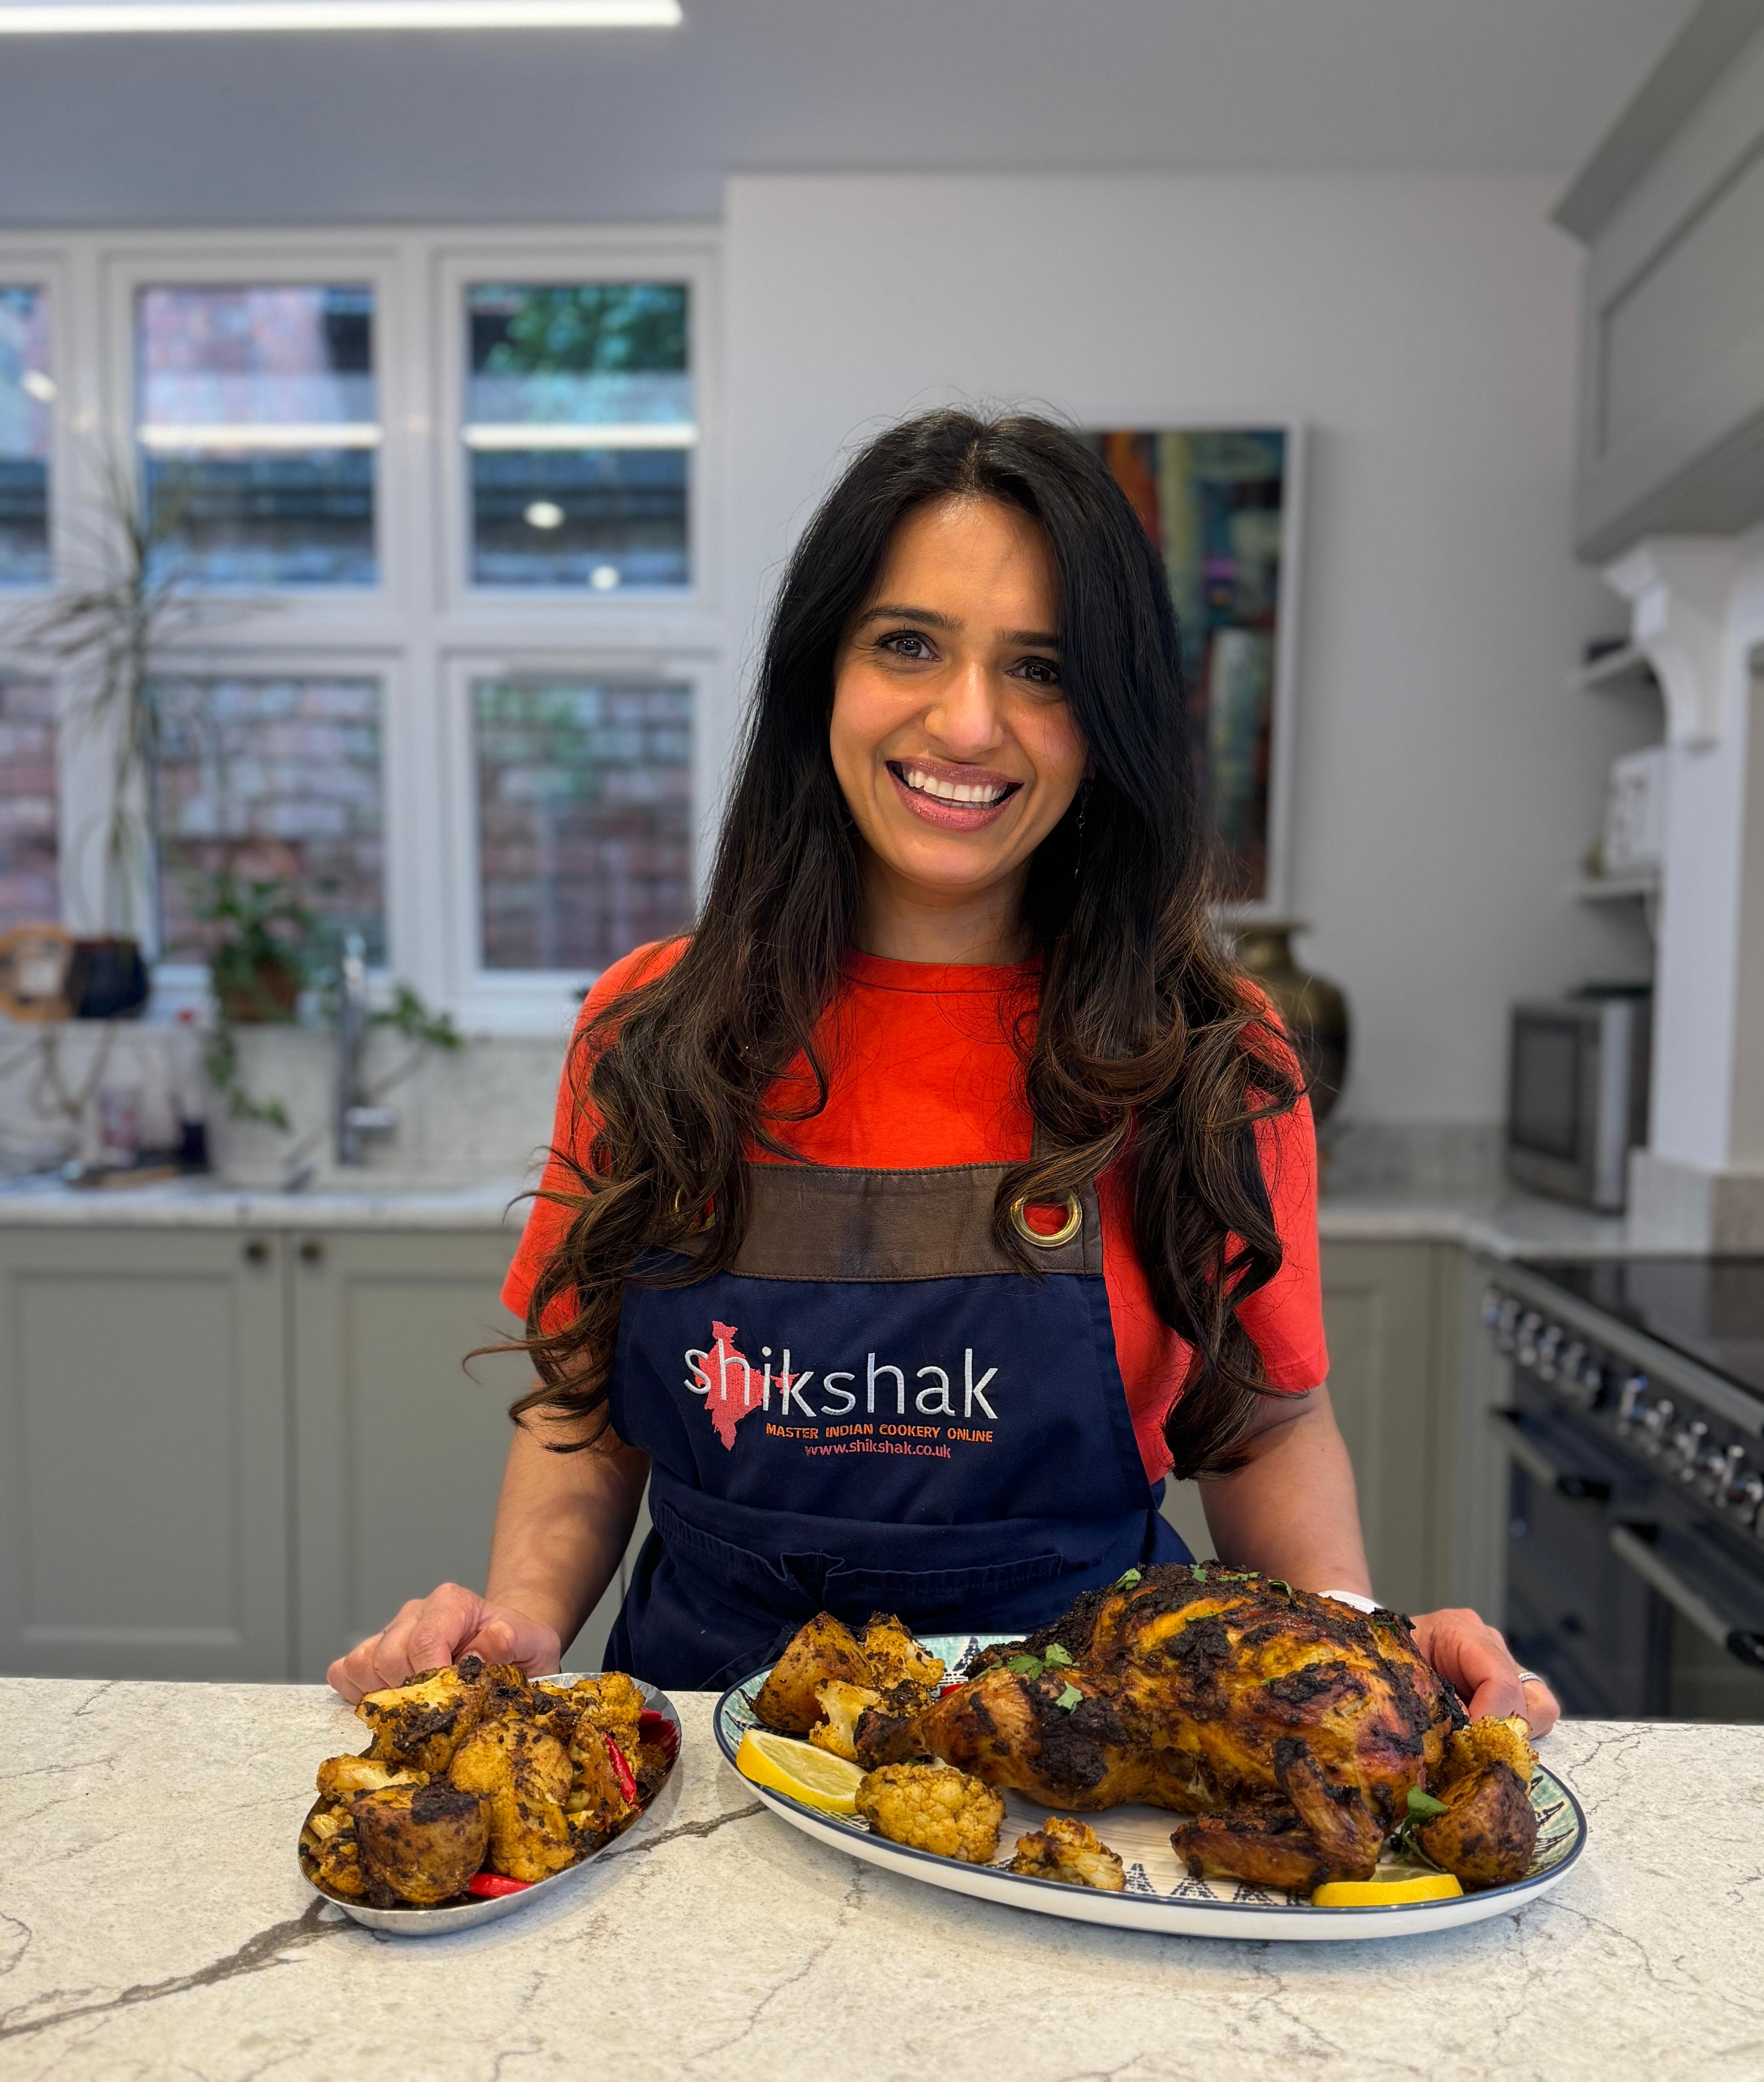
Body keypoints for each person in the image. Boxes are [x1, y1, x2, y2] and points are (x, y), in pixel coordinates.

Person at [329, 410, 1558, 1739]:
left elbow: (1259, 1430)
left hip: (1087, 1763)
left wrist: (1356, 1663)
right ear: (823, 677)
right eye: (908, 644)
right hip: (706, 1750)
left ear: (1110, 723)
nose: (968, 722)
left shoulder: (1213, 1055)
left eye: (1041, 668)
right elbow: (589, 1408)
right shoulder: (652, 1030)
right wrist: (520, 1620)